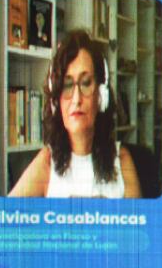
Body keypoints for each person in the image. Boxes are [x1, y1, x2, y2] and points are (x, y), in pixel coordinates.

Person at [10, 30, 142, 198]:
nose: (76, 98)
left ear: (101, 95)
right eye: (67, 85)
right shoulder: (46, 163)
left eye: (86, 83)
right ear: (55, 101)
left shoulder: (122, 161)